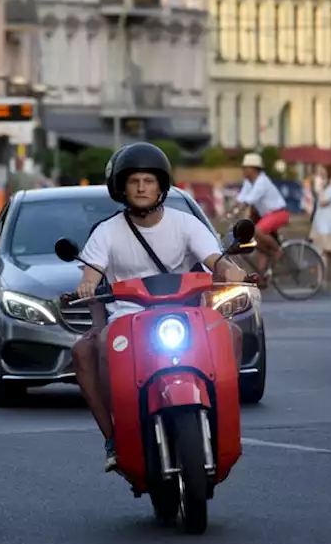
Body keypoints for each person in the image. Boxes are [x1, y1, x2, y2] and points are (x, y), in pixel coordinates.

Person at [69, 143, 250, 471]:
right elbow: (91, 271)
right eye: (134, 180)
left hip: (184, 313)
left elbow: (215, 259)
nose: (141, 187)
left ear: (161, 186)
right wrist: (87, 283)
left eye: (149, 181)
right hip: (127, 318)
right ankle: (114, 437)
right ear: (122, 187)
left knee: (232, 333)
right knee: (84, 351)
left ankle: (219, 414)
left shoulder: (186, 224)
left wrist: (231, 271)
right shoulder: (106, 231)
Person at [236, 153, 289, 270]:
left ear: (253, 169)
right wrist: (230, 212)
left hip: (278, 213)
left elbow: (249, 200)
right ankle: (262, 275)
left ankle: (278, 250)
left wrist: (238, 211)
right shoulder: (249, 181)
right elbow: (241, 198)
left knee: (257, 230)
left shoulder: (262, 182)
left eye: (245, 167)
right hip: (267, 216)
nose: (243, 170)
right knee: (261, 245)